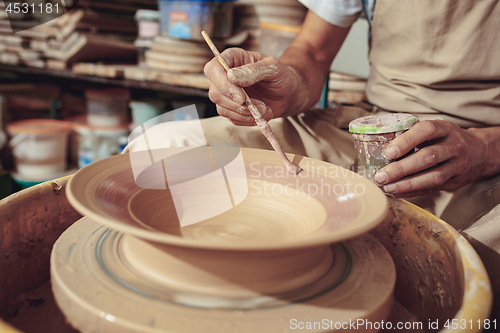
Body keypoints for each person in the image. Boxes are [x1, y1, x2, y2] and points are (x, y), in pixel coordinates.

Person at [128, 0, 500, 319]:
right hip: (368, 127)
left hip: (488, 147)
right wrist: (288, 81)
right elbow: (314, 52)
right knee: (160, 146)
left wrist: (483, 149)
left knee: (469, 271)